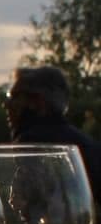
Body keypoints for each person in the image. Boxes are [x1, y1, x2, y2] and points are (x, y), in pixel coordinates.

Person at [5, 65, 101, 201]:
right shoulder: (85, 144)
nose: (6, 104)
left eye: (13, 96)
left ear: (38, 102)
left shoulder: (33, 143)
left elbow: (31, 207)